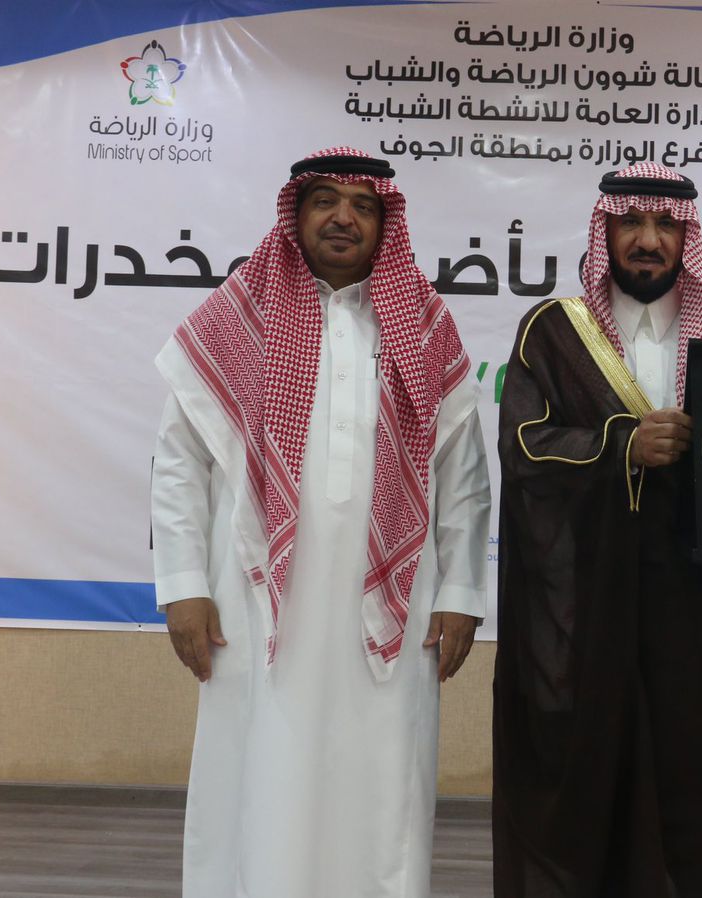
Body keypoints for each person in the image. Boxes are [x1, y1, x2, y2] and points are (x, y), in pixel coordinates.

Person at [150, 147, 490, 898]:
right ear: (296, 214)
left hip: (395, 606)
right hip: (252, 599)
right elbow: (179, 464)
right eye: (325, 201)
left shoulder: (424, 326)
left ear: (385, 223)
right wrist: (182, 585)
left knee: (383, 778)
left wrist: (462, 592)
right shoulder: (237, 316)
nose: (343, 218)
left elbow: (464, 479)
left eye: (363, 206)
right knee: (256, 771)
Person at [491, 162, 702, 898]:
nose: (649, 240)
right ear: (605, 229)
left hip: (700, 619)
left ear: (687, 236)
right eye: (631, 223)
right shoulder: (555, 331)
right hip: (588, 617)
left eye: (666, 225)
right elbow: (523, 447)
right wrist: (622, 445)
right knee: (586, 804)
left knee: (695, 799)